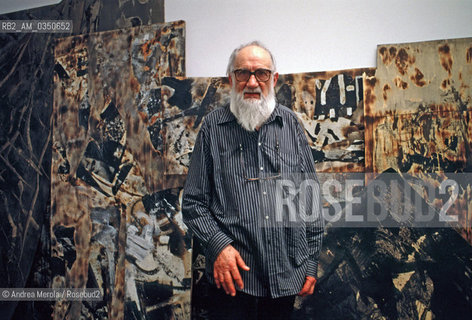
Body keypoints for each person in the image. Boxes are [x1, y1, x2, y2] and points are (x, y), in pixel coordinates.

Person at [182, 41, 324, 320]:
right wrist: (219, 245)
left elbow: (310, 198)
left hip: (286, 274)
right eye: (242, 73)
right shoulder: (212, 128)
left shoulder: (291, 125)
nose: (252, 82)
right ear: (230, 78)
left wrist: (310, 263)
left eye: (261, 73)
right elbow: (193, 203)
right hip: (233, 280)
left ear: (274, 79)